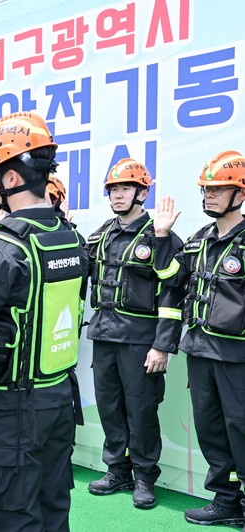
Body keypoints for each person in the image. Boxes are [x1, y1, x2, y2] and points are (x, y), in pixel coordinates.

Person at [0, 111, 88, 532]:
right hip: (59, 397)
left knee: (13, 517)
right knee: (54, 511)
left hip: (11, 406)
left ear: (11, 179)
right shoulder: (71, 239)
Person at [85, 158, 184, 509]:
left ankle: (144, 476)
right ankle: (117, 471)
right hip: (104, 335)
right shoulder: (102, 234)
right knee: (110, 407)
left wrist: (162, 345)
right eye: (113, 189)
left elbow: (174, 289)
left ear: (142, 193)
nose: (117, 195)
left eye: (125, 188)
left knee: (141, 411)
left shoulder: (159, 235)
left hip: (140, 340)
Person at [153, 150, 245, 528]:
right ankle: (226, 500)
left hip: (237, 355)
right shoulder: (198, 240)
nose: (209, 195)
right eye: (206, 189)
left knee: (241, 428)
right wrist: (161, 236)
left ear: (240, 194)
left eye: (218, 189)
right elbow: (170, 278)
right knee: (211, 429)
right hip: (200, 351)